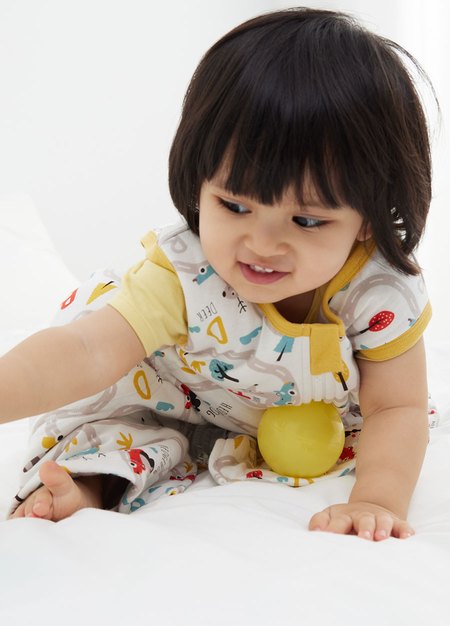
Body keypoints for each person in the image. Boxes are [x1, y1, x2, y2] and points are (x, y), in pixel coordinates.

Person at [1, 7, 436, 541]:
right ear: (199, 181)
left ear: (368, 216)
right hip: (175, 390)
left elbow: (397, 405)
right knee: (105, 419)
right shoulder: (186, 273)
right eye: (234, 206)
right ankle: (86, 487)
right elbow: (86, 351)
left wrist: (376, 500)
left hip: (301, 421)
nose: (262, 245)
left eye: (306, 220)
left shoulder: (378, 291)